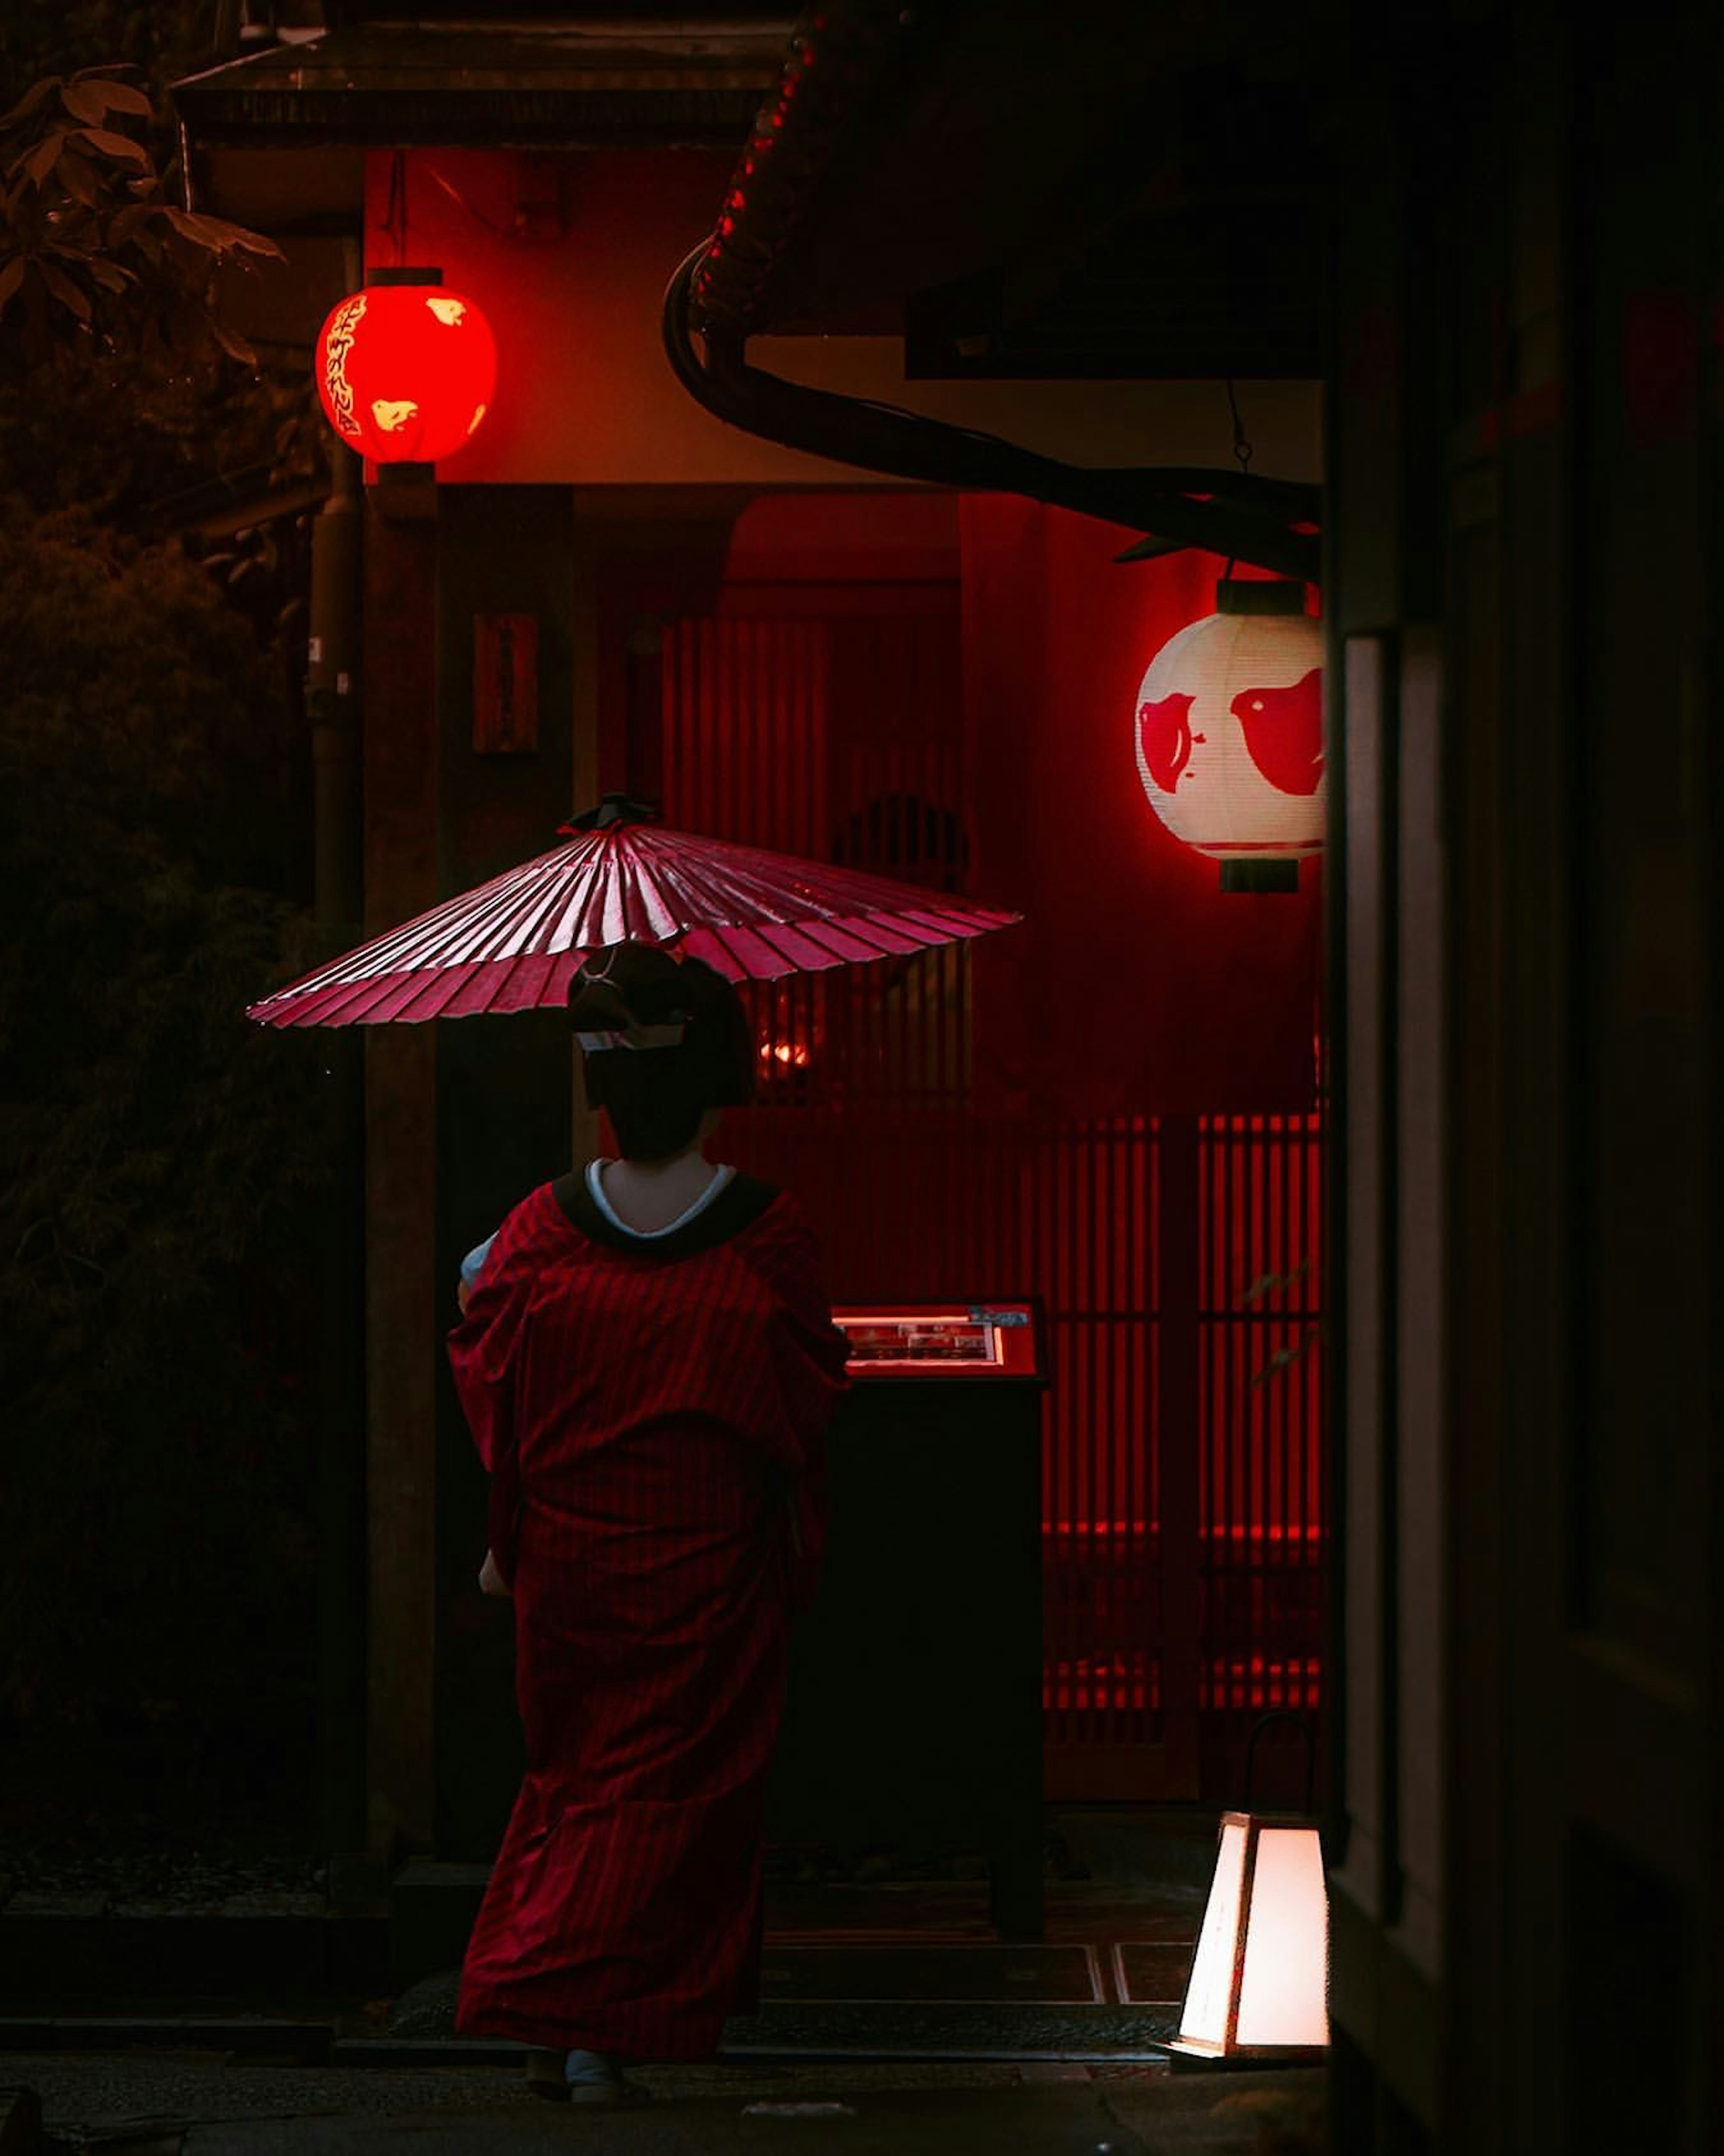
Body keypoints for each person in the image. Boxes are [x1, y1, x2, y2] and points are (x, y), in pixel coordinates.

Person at [446, 942, 851, 2107]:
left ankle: (546, 2017)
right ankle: (590, 2032)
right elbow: (809, 1388)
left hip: (570, 1566)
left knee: (576, 1783)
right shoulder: (768, 1235)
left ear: (604, 1087)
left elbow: (492, 1371)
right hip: (704, 1563)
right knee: (671, 1797)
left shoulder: (539, 1230)